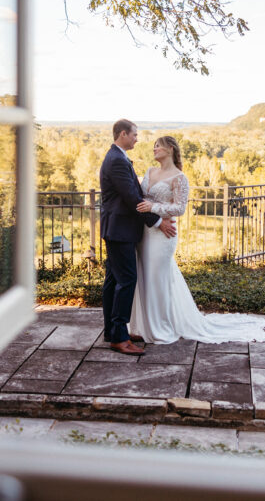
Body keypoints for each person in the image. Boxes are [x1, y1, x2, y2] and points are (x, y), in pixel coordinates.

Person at [130, 136, 265, 344]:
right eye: (153, 146)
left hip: (164, 235)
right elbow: (142, 198)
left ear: (170, 149)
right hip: (146, 232)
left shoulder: (180, 177)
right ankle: (143, 325)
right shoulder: (150, 172)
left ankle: (160, 326)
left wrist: (154, 208)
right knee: (144, 276)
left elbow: (179, 208)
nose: (154, 149)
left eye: (157, 146)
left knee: (157, 278)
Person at [99, 119, 177, 355]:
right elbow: (132, 198)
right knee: (126, 281)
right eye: (134, 134)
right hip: (120, 230)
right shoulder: (116, 160)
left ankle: (113, 331)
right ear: (123, 134)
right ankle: (120, 338)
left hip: (117, 229)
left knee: (113, 280)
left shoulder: (118, 157)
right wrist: (156, 221)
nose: (137, 138)